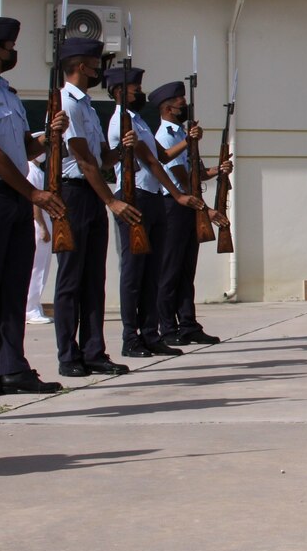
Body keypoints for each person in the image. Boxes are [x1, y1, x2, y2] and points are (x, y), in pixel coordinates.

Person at [0, 16, 68, 397]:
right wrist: (32, 193)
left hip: (12, 196)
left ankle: (13, 366)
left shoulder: (7, 92)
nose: (14, 52)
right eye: (10, 46)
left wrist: (50, 136)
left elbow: (24, 149)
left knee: (13, 285)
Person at [106, 66, 206, 359]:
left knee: (151, 271)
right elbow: (150, 162)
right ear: (120, 91)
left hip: (150, 197)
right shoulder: (121, 122)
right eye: (136, 88)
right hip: (134, 196)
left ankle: (150, 334)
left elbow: (160, 156)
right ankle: (130, 336)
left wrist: (188, 141)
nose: (141, 93)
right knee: (134, 271)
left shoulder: (140, 121)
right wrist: (177, 194)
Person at [54, 37, 134, 378]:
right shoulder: (66, 103)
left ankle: (93, 350)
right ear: (79, 66)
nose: (99, 69)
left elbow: (101, 159)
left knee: (92, 278)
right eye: (94, 63)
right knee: (71, 278)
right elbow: (84, 161)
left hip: (91, 193)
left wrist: (121, 152)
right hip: (74, 193)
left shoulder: (86, 105)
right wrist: (112, 200)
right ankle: (68, 353)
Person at [151, 80, 230, 345]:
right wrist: (206, 209)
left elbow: (197, 173)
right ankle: (167, 327)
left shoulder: (183, 135)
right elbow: (179, 177)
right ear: (167, 108)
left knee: (186, 270)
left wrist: (218, 170)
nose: (183, 106)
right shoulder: (166, 136)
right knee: (170, 270)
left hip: (189, 206)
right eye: (179, 103)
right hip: (175, 206)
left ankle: (187, 323)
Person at [24, 140, 53, 324]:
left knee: (42, 267)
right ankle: (30, 309)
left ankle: (35, 306)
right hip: (38, 223)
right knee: (37, 268)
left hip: (43, 221)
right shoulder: (31, 171)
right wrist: (41, 226)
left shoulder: (38, 171)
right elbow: (34, 201)